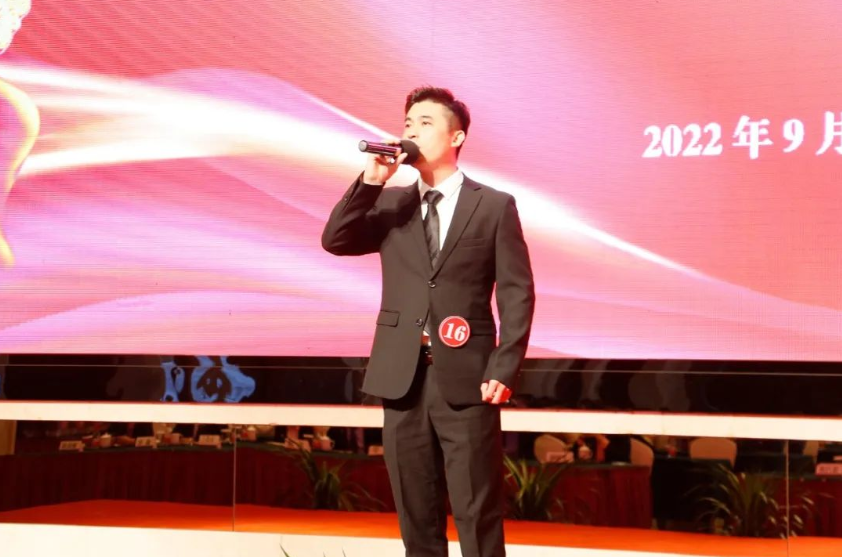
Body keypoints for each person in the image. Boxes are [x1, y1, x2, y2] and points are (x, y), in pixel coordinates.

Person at [322, 86, 535, 557]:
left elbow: (517, 293)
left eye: (425, 123)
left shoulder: (493, 205)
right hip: (402, 376)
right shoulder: (390, 204)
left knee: (477, 511)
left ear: (456, 137)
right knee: (416, 513)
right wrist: (371, 181)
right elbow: (335, 240)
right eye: (407, 124)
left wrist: (504, 366)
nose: (411, 132)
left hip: (469, 378)